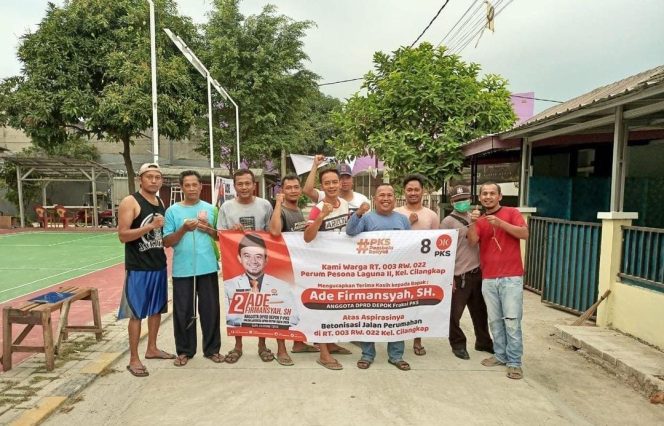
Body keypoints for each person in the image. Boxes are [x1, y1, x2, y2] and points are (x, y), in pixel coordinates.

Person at [117, 163, 175, 377]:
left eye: (157, 177)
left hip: (158, 264)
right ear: (140, 179)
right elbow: (123, 235)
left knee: (156, 310)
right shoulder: (130, 202)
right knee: (136, 314)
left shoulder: (159, 201)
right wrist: (150, 226)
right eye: (149, 177)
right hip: (138, 267)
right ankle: (134, 358)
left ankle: (152, 348)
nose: (154, 180)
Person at [346, 184, 412, 371]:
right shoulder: (367, 218)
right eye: (381, 195)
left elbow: (410, 247)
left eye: (389, 195)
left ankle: (396, 355)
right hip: (371, 278)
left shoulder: (403, 220)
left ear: (395, 198)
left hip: (396, 278)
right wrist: (358, 213)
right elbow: (350, 232)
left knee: (396, 316)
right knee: (369, 315)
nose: (385, 198)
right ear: (375, 199)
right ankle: (367, 354)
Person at [467, 182, 529, 380]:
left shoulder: (511, 212)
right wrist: (474, 222)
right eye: (484, 194)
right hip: (489, 277)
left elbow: (524, 234)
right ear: (480, 197)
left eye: (492, 193)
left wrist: (500, 224)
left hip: (511, 277)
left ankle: (514, 362)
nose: (488, 197)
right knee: (495, 320)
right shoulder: (480, 219)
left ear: (500, 196)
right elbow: (472, 241)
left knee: (511, 320)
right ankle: (500, 355)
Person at [163, 170, 223, 367]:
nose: (191, 189)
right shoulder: (172, 211)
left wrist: (207, 229)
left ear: (200, 186)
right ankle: (184, 350)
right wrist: (183, 229)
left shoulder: (210, 209)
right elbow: (166, 241)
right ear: (182, 188)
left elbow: (218, 236)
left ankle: (212, 349)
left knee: (210, 310)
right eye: (187, 185)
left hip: (207, 267)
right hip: (183, 269)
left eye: (194, 185)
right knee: (183, 311)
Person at [217, 169, 275, 364]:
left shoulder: (265, 205)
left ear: (254, 184)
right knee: (237, 301)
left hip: (259, 260)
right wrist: (231, 232)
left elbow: (272, 233)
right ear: (235, 186)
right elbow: (220, 234)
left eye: (247, 183)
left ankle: (262, 344)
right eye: (240, 184)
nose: (244, 187)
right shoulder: (226, 207)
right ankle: (238, 345)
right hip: (235, 262)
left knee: (261, 302)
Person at [303, 167, 353, 370]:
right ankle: (323, 353)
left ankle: (331, 343)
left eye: (335, 182)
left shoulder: (346, 205)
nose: (332, 186)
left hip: (340, 266)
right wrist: (321, 216)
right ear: (322, 187)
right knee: (322, 307)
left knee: (335, 307)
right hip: (321, 266)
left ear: (340, 184)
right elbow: (307, 237)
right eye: (327, 183)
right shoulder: (318, 207)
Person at [268, 174, 320, 365]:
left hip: (296, 266)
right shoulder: (280, 210)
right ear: (282, 191)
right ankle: (281, 350)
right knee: (282, 308)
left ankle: (298, 343)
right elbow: (274, 232)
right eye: (288, 188)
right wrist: (277, 205)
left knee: (297, 306)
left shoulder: (297, 209)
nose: (293, 190)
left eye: (296, 187)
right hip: (281, 267)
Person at [440, 185, 493, 360]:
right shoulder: (448, 222)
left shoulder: (477, 217)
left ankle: (483, 341)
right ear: (452, 202)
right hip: (459, 275)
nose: (462, 203)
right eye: (457, 200)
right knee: (454, 315)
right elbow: (443, 251)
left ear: (471, 200)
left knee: (480, 312)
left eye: (465, 199)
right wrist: (448, 276)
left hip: (477, 273)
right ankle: (458, 344)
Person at [394, 173, 440, 356]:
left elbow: (436, 242)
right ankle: (397, 336)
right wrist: (407, 223)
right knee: (399, 302)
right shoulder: (396, 213)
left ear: (423, 192)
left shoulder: (431, 215)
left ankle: (417, 340)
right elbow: (390, 238)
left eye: (416, 190)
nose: (413, 193)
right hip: (399, 267)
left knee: (418, 304)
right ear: (404, 192)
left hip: (422, 268)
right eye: (409, 189)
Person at [224, 233, 299, 328]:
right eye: (247, 256)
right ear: (239, 258)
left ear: (266, 259)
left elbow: (294, 318)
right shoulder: (228, 285)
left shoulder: (282, 285)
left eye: (258, 256)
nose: (253, 261)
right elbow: (228, 317)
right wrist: (265, 317)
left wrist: (261, 319)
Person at [303, 154, 369, 214]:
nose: (344, 181)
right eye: (341, 178)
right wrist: (315, 165)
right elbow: (307, 190)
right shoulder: (326, 195)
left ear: (352, 179)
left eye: (347, 177)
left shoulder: (362, 199)